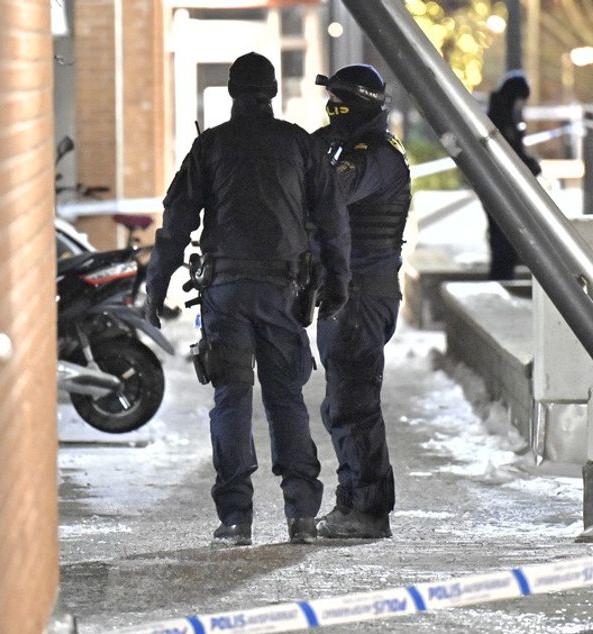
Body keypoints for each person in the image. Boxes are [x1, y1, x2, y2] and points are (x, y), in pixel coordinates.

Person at [143, 52, 350, 547]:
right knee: (286, 400)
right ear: (273, 91)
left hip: (226, 294)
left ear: (232, 92)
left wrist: (156, 285)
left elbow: (176, 223)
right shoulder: (300, 145)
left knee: (231, 400)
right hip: (284, 293)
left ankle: (235, 519)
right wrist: (336, 283)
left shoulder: (210, 146)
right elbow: (333, 221)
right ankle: (301, 515)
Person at [311, 64, 411, 539]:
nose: (329, 109)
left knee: (353, 402)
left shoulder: (373, 156)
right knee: (342, 402)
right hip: (351, 293)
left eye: (336, 100)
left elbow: (330, 194)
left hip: (362, 295)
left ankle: (366, 509)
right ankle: (356, 498)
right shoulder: (349, 147)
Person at [485, 70, 541, 280]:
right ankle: (501, 275)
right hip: (500, 186)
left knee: (504, 235)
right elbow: (510, 152)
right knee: (503, 236)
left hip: (501, 185)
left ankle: (502, 273)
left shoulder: (502, 114)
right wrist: (529, 165)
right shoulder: (501, 118)